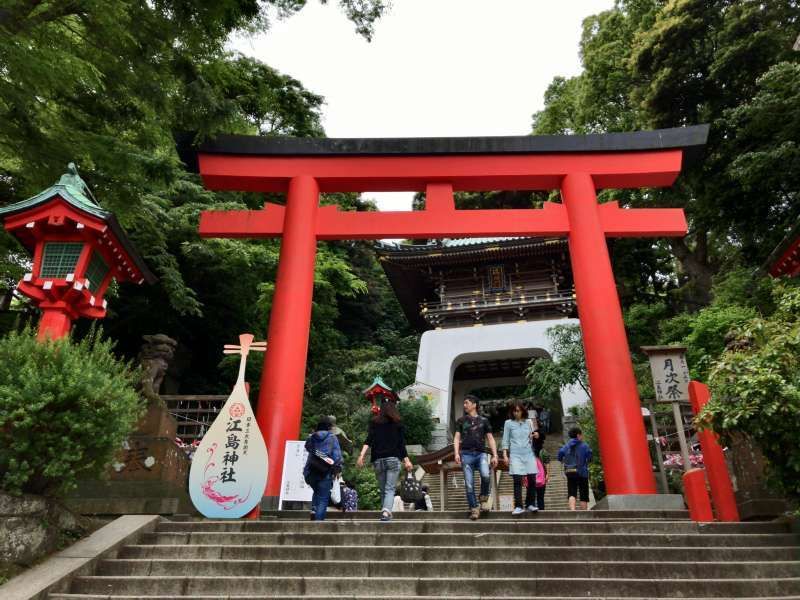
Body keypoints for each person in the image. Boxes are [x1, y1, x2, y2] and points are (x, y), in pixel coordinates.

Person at [356, 399, 413, 522]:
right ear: (393, 410)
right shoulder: (398, 423)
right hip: (393, 459)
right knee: (390, 489)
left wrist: (361, 455)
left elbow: (368, 440)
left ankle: (385, 512)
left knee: (383, 489)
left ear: (381, 411)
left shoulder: (375, 423)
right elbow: (401, 445)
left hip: (378, 460)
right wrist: (407, 460)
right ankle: (386, 512)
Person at [454, 394, 499, 520]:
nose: (464, 405)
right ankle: (474, 508)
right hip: (466, 454)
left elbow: (490, 438)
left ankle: (484, 496)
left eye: (466, 402)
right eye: (464, 403)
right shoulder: (461, 421)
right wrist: (456, 453)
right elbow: (457, 437)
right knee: (469, 484)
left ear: (474, 405)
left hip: (481, 454)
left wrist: (495, 455)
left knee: (485, 475)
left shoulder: (484, 421)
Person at [501, 402, 539, 515]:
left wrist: (536, 436)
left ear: (523, 411)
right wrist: (504, 455)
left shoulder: (529, 422)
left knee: (532, 478)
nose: (516, 413)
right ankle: (518, 506)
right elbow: (505, 439)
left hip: (528, 453)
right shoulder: (508, 423)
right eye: (514, 411)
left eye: (518, 410)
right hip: (515, 454)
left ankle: (530, 504)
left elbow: (533, 436)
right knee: (517, 479)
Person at [303, 417, 343, 521]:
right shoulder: (332, 437)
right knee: (323, 498)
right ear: (329, 427)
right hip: (325, 472)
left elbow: (307, 447)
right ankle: (318, 524)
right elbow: (337, 456)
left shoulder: (312, 437)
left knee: (317, 491)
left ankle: (314, 509)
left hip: (310, 471)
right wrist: (338, 469)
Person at [558, 426, 593, 510]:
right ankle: (584, 514)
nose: (582, 436)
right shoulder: (584, 446)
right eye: (581, 435)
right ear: (578, 435)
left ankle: (573, 512)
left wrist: (564, 460)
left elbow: (559, 456)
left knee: (571, 493)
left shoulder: (566, 446)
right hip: (582, 473)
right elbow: (590, 457)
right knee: (583, 494)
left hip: (570, 472)